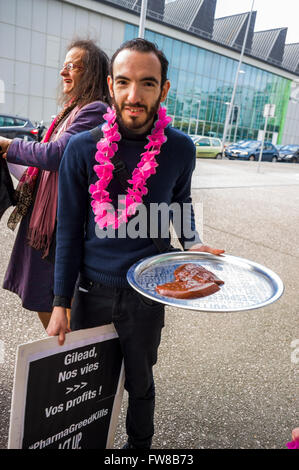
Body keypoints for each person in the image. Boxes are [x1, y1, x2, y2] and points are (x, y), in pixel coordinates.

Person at [47, 38, 224, 449]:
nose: (134, 95)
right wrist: (61, 302)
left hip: (147, 293)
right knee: (90, 385)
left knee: (141, 382)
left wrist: (195, 243)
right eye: (124, 82)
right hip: (92, 292)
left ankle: (139, 448)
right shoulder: (82, 148)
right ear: (110, 85)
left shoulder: (180, 149)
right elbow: (69, 230)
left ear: (163, 89)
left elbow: (179, 204)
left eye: (147, 84)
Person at [0, 39, 109, 329]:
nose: (63, 72)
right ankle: (67, 358)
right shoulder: (71, 111)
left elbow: (57, 155)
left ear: (93, 73)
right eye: (64, 65)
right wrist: (5, 153)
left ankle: (74, 361)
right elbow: (38, 168)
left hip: (60, 225)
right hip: (44, 221)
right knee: (44, 301)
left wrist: (8, 144)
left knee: (60, 303)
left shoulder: (95, 111)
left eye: (73, 66)